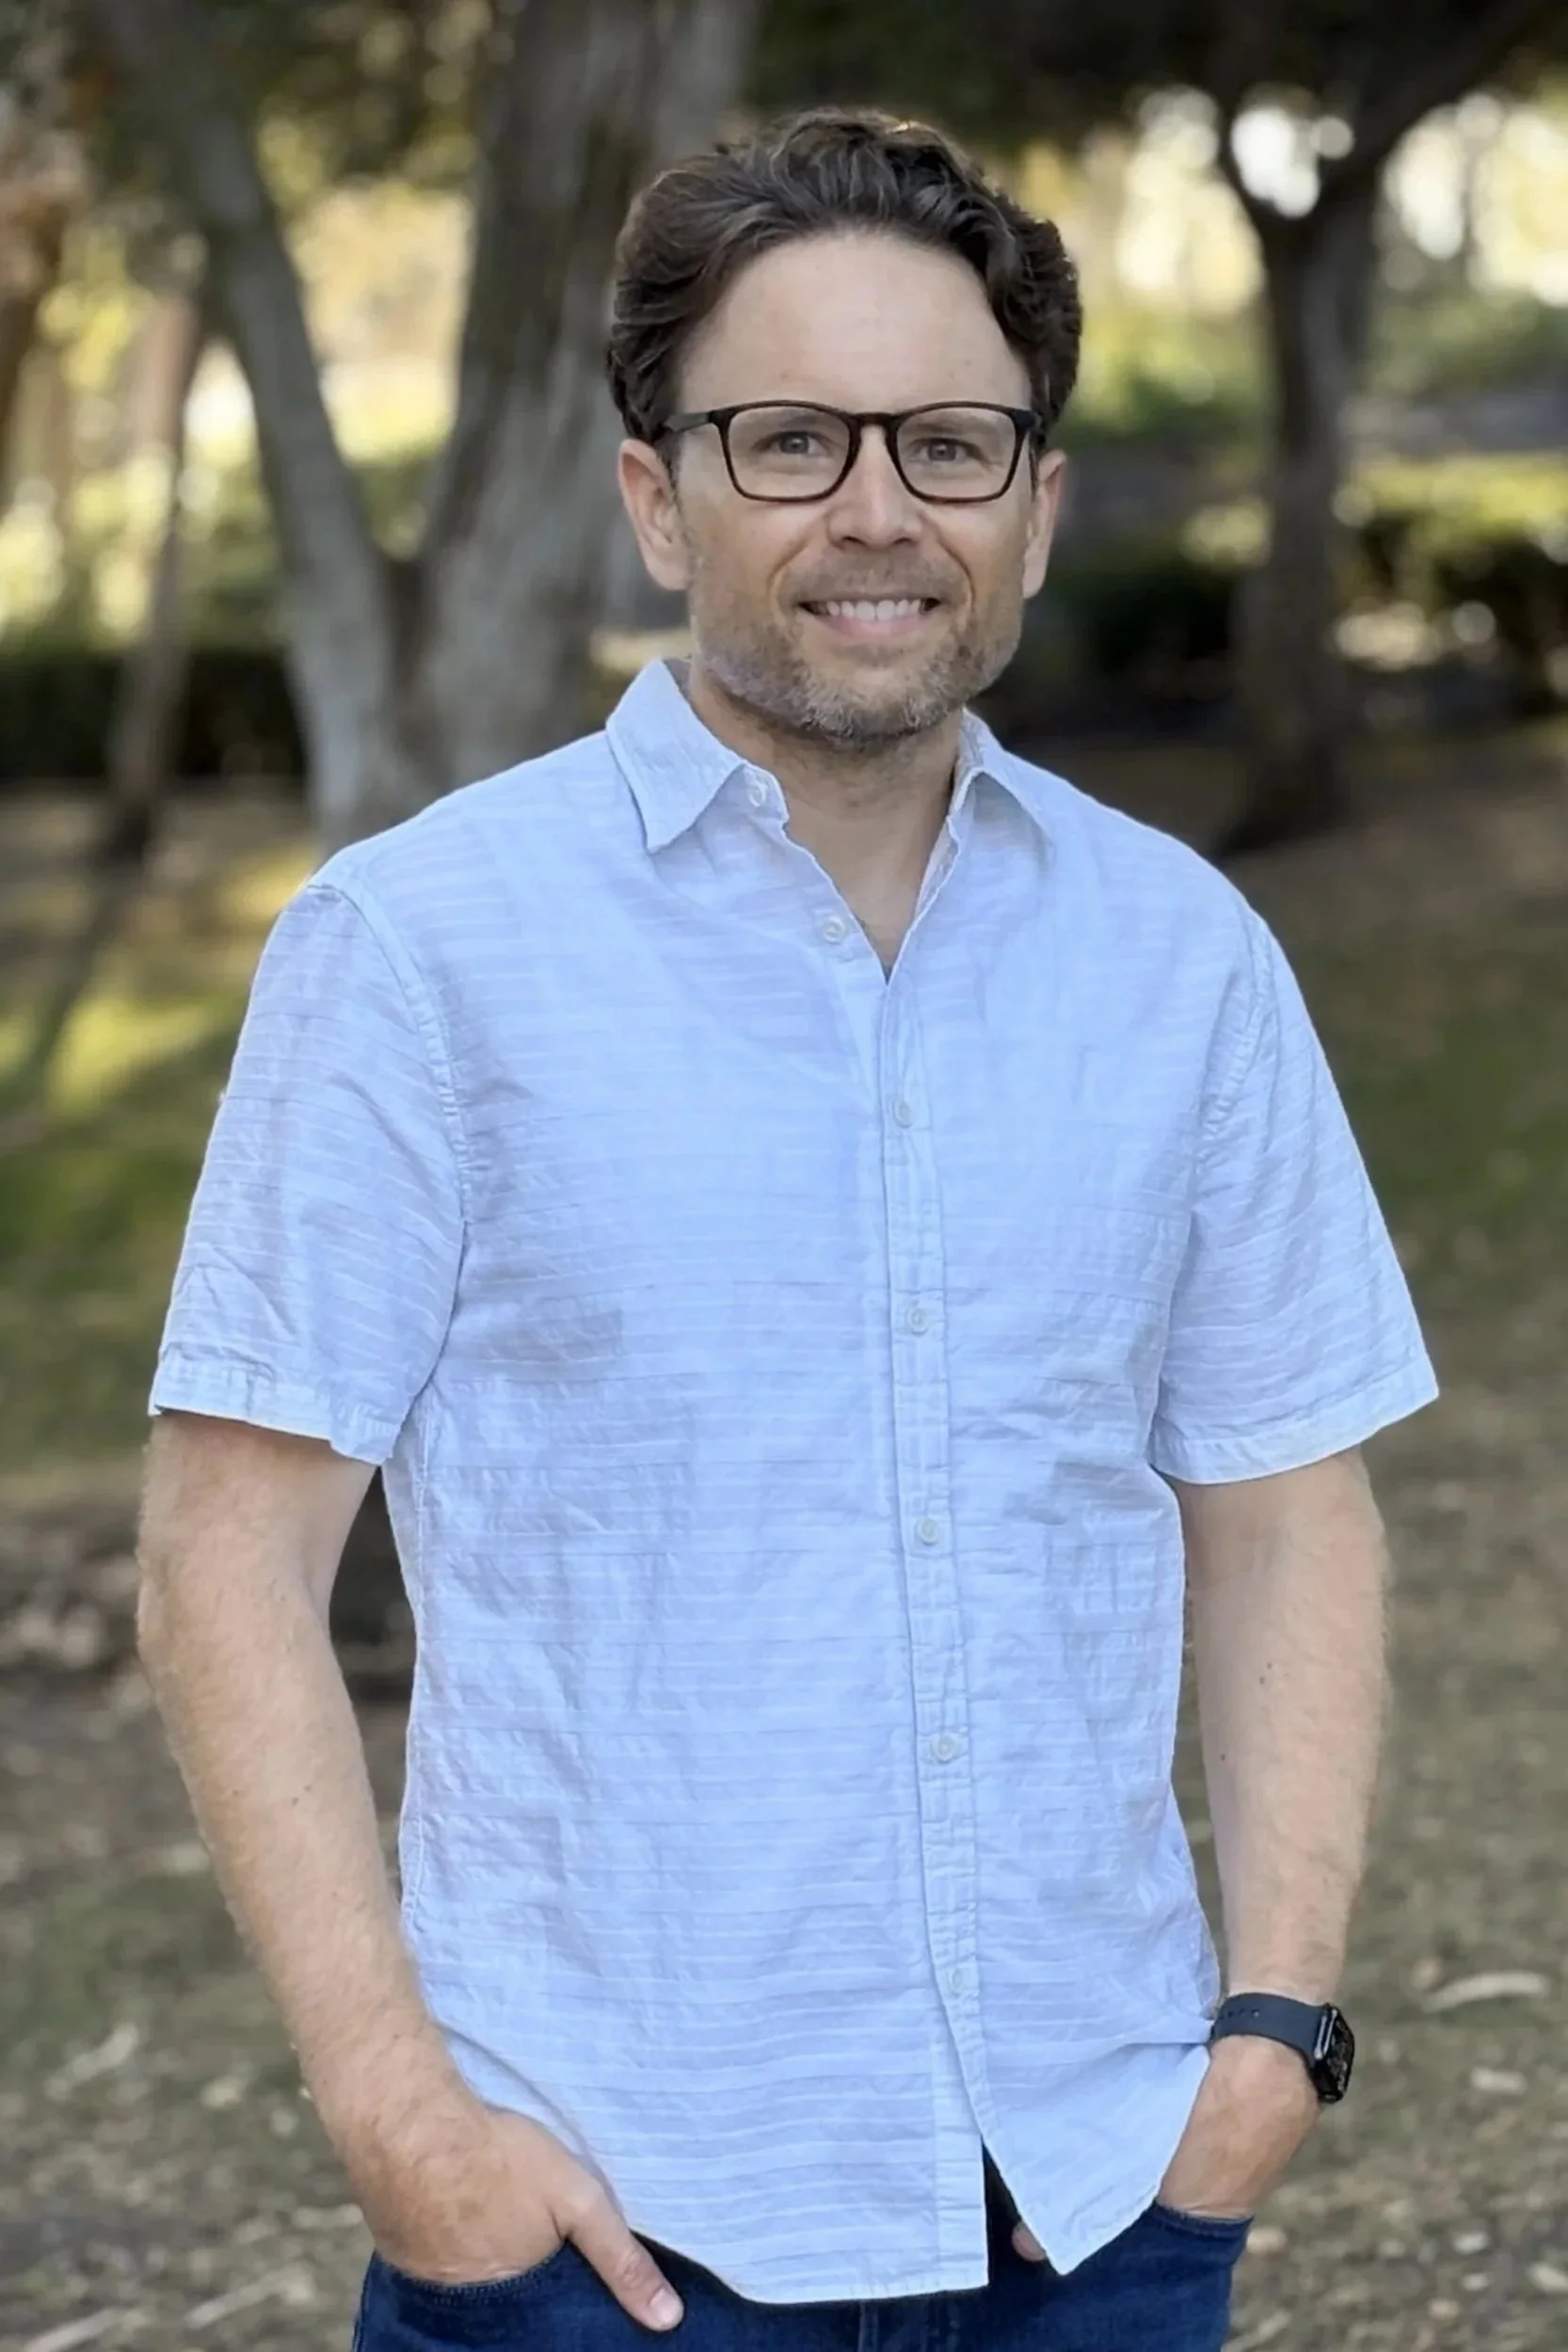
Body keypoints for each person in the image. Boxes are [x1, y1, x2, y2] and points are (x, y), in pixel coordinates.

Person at [136, 107, 1438, 2352]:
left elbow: (1288, 1506)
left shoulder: (1181, 954)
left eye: (946, 444)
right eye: (784, 439)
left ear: (1032, 502)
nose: (872, 512)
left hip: (1096, 2210)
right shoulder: (420, 949)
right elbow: (221, 1561)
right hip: (600, 2246)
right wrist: (403, 2130)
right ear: (657, 497)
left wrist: (1270, 2035)